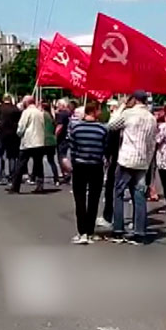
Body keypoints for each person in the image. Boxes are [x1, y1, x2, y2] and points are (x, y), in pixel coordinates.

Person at [108, 91, 157, 245]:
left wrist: (122, 105)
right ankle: (139, 231)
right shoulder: (151, 118)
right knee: (139, 196)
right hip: (142, 161)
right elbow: (152, 144)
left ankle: (118, 229)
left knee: (119, 193)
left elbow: (111, 125)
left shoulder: (129, 114)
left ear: (134, 99)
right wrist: (148, 162)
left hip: (126, 159)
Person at [68, 101, 108, 245]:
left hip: (79, 165)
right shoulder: (103, 129)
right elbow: (105, 148)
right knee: (94, 198)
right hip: (96, 166)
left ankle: (81, 231)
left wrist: (74, 161)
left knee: (79, 198)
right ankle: (90, 231)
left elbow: (72, 148)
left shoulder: (76, 128)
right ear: (95, 111)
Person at [9, 96, 46, 194]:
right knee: (38, 165)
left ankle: (15, 187)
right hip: (39, 141)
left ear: (27, 102)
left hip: (28, 142)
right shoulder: (40, 112)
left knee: (21, 164)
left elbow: (21, 127)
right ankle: (40, 186)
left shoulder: (26, 112)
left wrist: (19, 134)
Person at [98, 99, 121, 229]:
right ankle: (136, 222)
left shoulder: (116, 120)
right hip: (135, 159)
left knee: (112, 189)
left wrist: (106, 155)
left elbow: (110, 131)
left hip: (116, 158)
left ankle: (109, 217)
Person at [0, 95, 20, 185]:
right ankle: (12, 177)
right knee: (12, 156)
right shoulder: (15, 109)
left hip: (1, 134)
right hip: (13, 135)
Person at [41, 102, 61, 186]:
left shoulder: (43, 115)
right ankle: (56, 179)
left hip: (44, 140)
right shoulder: (51, 116)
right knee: (51, 161)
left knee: (39, 160)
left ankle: (38, 178)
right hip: (52, 140)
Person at [54, 99, 72, 182]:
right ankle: (66, 174)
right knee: (63, 155)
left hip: (62, 138)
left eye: (58, 104)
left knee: (62, 156)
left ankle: (70, 170)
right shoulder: (69, 113)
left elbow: (59, 126)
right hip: (67, 136)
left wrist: (55, 135)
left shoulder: (61, 114)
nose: (57, 106)